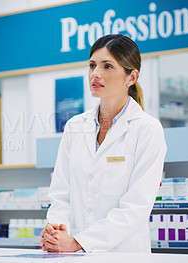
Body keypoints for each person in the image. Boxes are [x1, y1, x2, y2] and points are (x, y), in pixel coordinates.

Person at [40, 34, 167, 253]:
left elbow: (136, 208)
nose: (95, 74)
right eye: (92, 66)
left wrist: (79, 242)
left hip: (124, 254)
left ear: (131, 77)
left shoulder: (147, 129)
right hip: (73, 255)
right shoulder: (75, 126)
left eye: (107, 66)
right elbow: (61, 194)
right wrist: (55, 232)